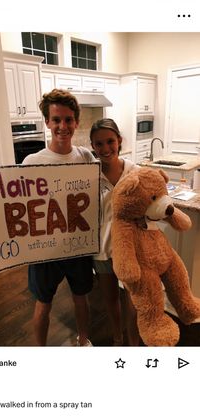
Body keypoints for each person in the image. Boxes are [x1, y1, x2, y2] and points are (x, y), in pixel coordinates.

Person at [23, 88, 96, 346]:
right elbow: (12, 206)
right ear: (47, 122)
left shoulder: (85, 157)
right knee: (43, 303)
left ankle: (83, 340)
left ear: (76, 122)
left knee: (81, 297)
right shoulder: (32, 162)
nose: (62, 126)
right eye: (56, 120)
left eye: (68, 120)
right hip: (45, 250)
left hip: (78, 245)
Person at [90, 118, 140, 346]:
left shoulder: (134, 172)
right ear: (93, 146)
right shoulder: (89, 174)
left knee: (133, 298)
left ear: (119, 140)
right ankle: (117, 336)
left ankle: (133, 339)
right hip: (101, 249)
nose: (105, 148)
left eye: (110, 141)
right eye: (99, 144)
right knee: (110, 299)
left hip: (130, 248)